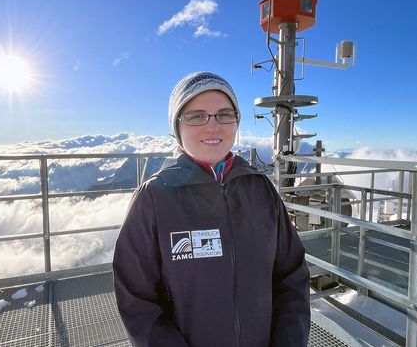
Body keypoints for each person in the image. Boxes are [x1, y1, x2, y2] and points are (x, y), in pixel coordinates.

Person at [112, 72, 310, 347]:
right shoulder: (154, 199)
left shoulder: (260, 190)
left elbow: (291, 277)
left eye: (224, 114)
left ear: (236, 122)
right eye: (196, 116)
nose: (213, 127)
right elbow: (137, 301)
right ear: (177, 127)